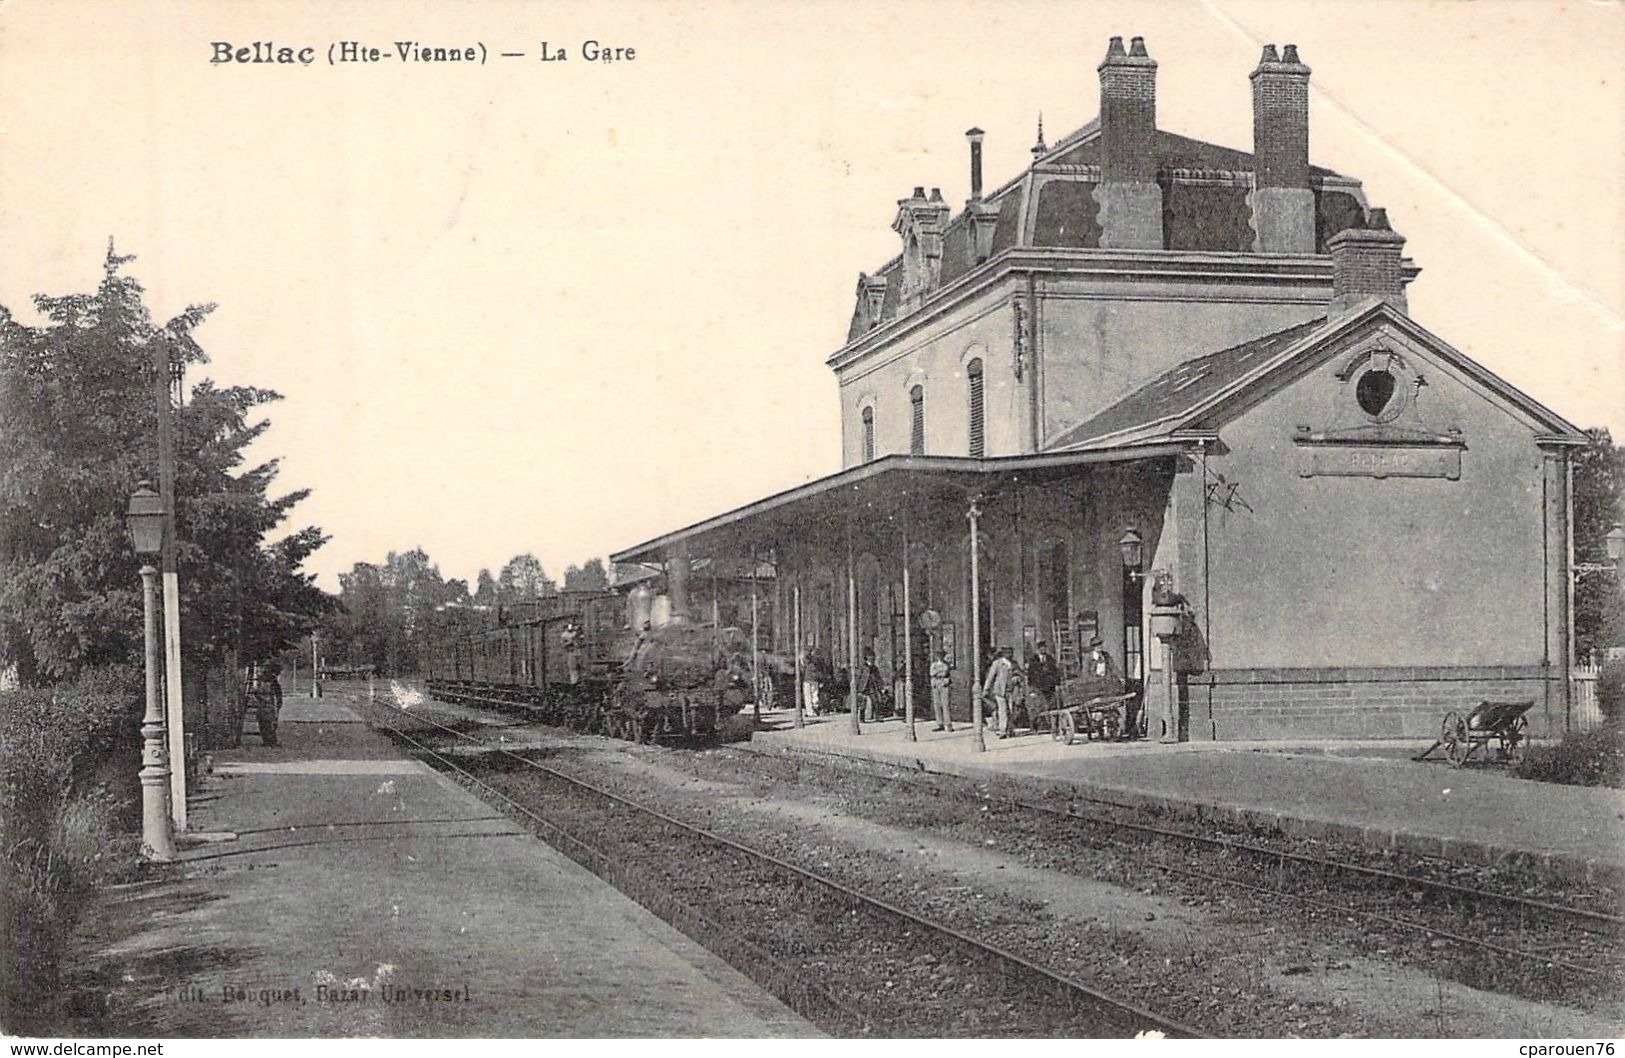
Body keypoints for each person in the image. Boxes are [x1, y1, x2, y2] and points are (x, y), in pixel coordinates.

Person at [982, 645, 1017, 738]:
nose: (1009, 654)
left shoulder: (1013, 663)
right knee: (1002, 710)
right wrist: (986, 689)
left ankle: (1010, 729)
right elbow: (990, 677)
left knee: (1011, 709)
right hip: (1000, 690)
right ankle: (1003, 730)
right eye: (1007, 652)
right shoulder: (997, 663)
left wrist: (1016, 678)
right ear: (1004, 653)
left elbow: (1018, 673)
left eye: (1011, 652)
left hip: (1011, 689)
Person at [251, 659, 284, 747]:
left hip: (267, 704)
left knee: (268, 723)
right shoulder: (263, 681)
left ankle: (270, 741)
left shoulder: (270, 682)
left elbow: (278, 693)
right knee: (266, 723)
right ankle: (268, 741)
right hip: (266, 704)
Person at [1027, 640, 1060, 725]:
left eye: (1044, 648)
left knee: (1051, 705)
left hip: (1050, 686)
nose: (1043, 650)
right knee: (1038, 706)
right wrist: (1032, 688)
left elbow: (1055, 672)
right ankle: (1037, 724)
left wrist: (1056, 683)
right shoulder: (1033, 660)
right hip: (1038, 686)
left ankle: (1050, 724)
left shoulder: (1050, 659)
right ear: (1038, 650)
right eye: (1041, 648)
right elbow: (1030, 674)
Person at [929, 649, 953, 731]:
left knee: (945, 704)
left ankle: (948, 724)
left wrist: (938, 672)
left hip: (944, 683)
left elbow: (945, 672)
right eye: (938, 655)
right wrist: (938, 672)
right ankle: (940, 723)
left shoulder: (946, 664)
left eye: (941, 655)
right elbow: (932, 673)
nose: (939, 657)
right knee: (937, 704)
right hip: (936, 683)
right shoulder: (934, 664)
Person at [801, 644, 827, 717]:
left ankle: (811, 711)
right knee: (814, 694)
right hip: (814, 679)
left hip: (808, 678)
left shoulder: (808, 659)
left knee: (808, 695)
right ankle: (815, 708)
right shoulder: (818, 659)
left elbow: (803, 664)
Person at [858, 651, 885, 722]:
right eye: (870, 658)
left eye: (872, 658)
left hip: (872, 686)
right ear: (866, 659)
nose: (872, 659)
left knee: (876, 701)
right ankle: (861, 718)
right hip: (863, 686)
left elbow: (878, 678)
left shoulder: (875, 668)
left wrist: (881, 687)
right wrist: (858, 688)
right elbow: (858, 677)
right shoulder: (862, 667)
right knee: (863, 703)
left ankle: (877, 716)